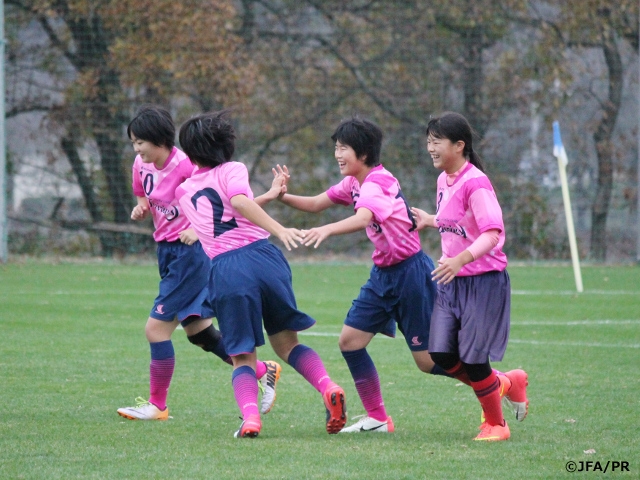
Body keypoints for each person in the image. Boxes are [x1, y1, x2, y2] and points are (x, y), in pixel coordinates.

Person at [269, 116, 450, 433]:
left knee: (427, 362)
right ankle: (378, 418)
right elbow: (315, 203)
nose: (338, 155)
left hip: (410, 275)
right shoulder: (354, 182)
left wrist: (327, 230)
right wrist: (281, 195)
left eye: (343, 148)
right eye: (336, 148)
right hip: (383, 274)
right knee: (350, 342)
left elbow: (365, 216)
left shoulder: (377, 183)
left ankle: (496, 381)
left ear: (363, 153)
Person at [175, 109, 347, 438]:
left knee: (242, 357)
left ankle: (252, 419)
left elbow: (234, 206)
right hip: (265, 258)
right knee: (288, 345)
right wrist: (277, 226)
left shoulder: (184, 192)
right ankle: (328, 386)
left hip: (227, 268)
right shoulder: (233, 169)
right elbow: (237, 204)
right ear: (227, 146)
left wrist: (274, 215)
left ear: (190, 152)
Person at [117, 105, 281, 421]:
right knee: (198, 331)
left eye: (141, 142)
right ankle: (263, 370)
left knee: (155, 331)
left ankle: (157, 405)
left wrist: (196, 227)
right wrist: (141, 208)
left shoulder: (185, 165)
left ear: (160, 139)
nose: (137, 149)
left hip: (190, 255)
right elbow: (142, 194)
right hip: (166, 252)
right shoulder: (142, 164)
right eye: (133, 143)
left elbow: (212, 196)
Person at [411, 111, 529, 442]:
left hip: (484, 281)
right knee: (442, 355)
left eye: (436, 142)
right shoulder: (443, 179)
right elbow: (460, 222)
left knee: (475, 356)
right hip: (452, 280)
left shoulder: (476, 182)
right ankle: (505, 382)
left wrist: (460, 259)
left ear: (459, 145)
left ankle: (497, 425)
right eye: (428, 141)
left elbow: (492, 232)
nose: (430, 148)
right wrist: (431, 220)